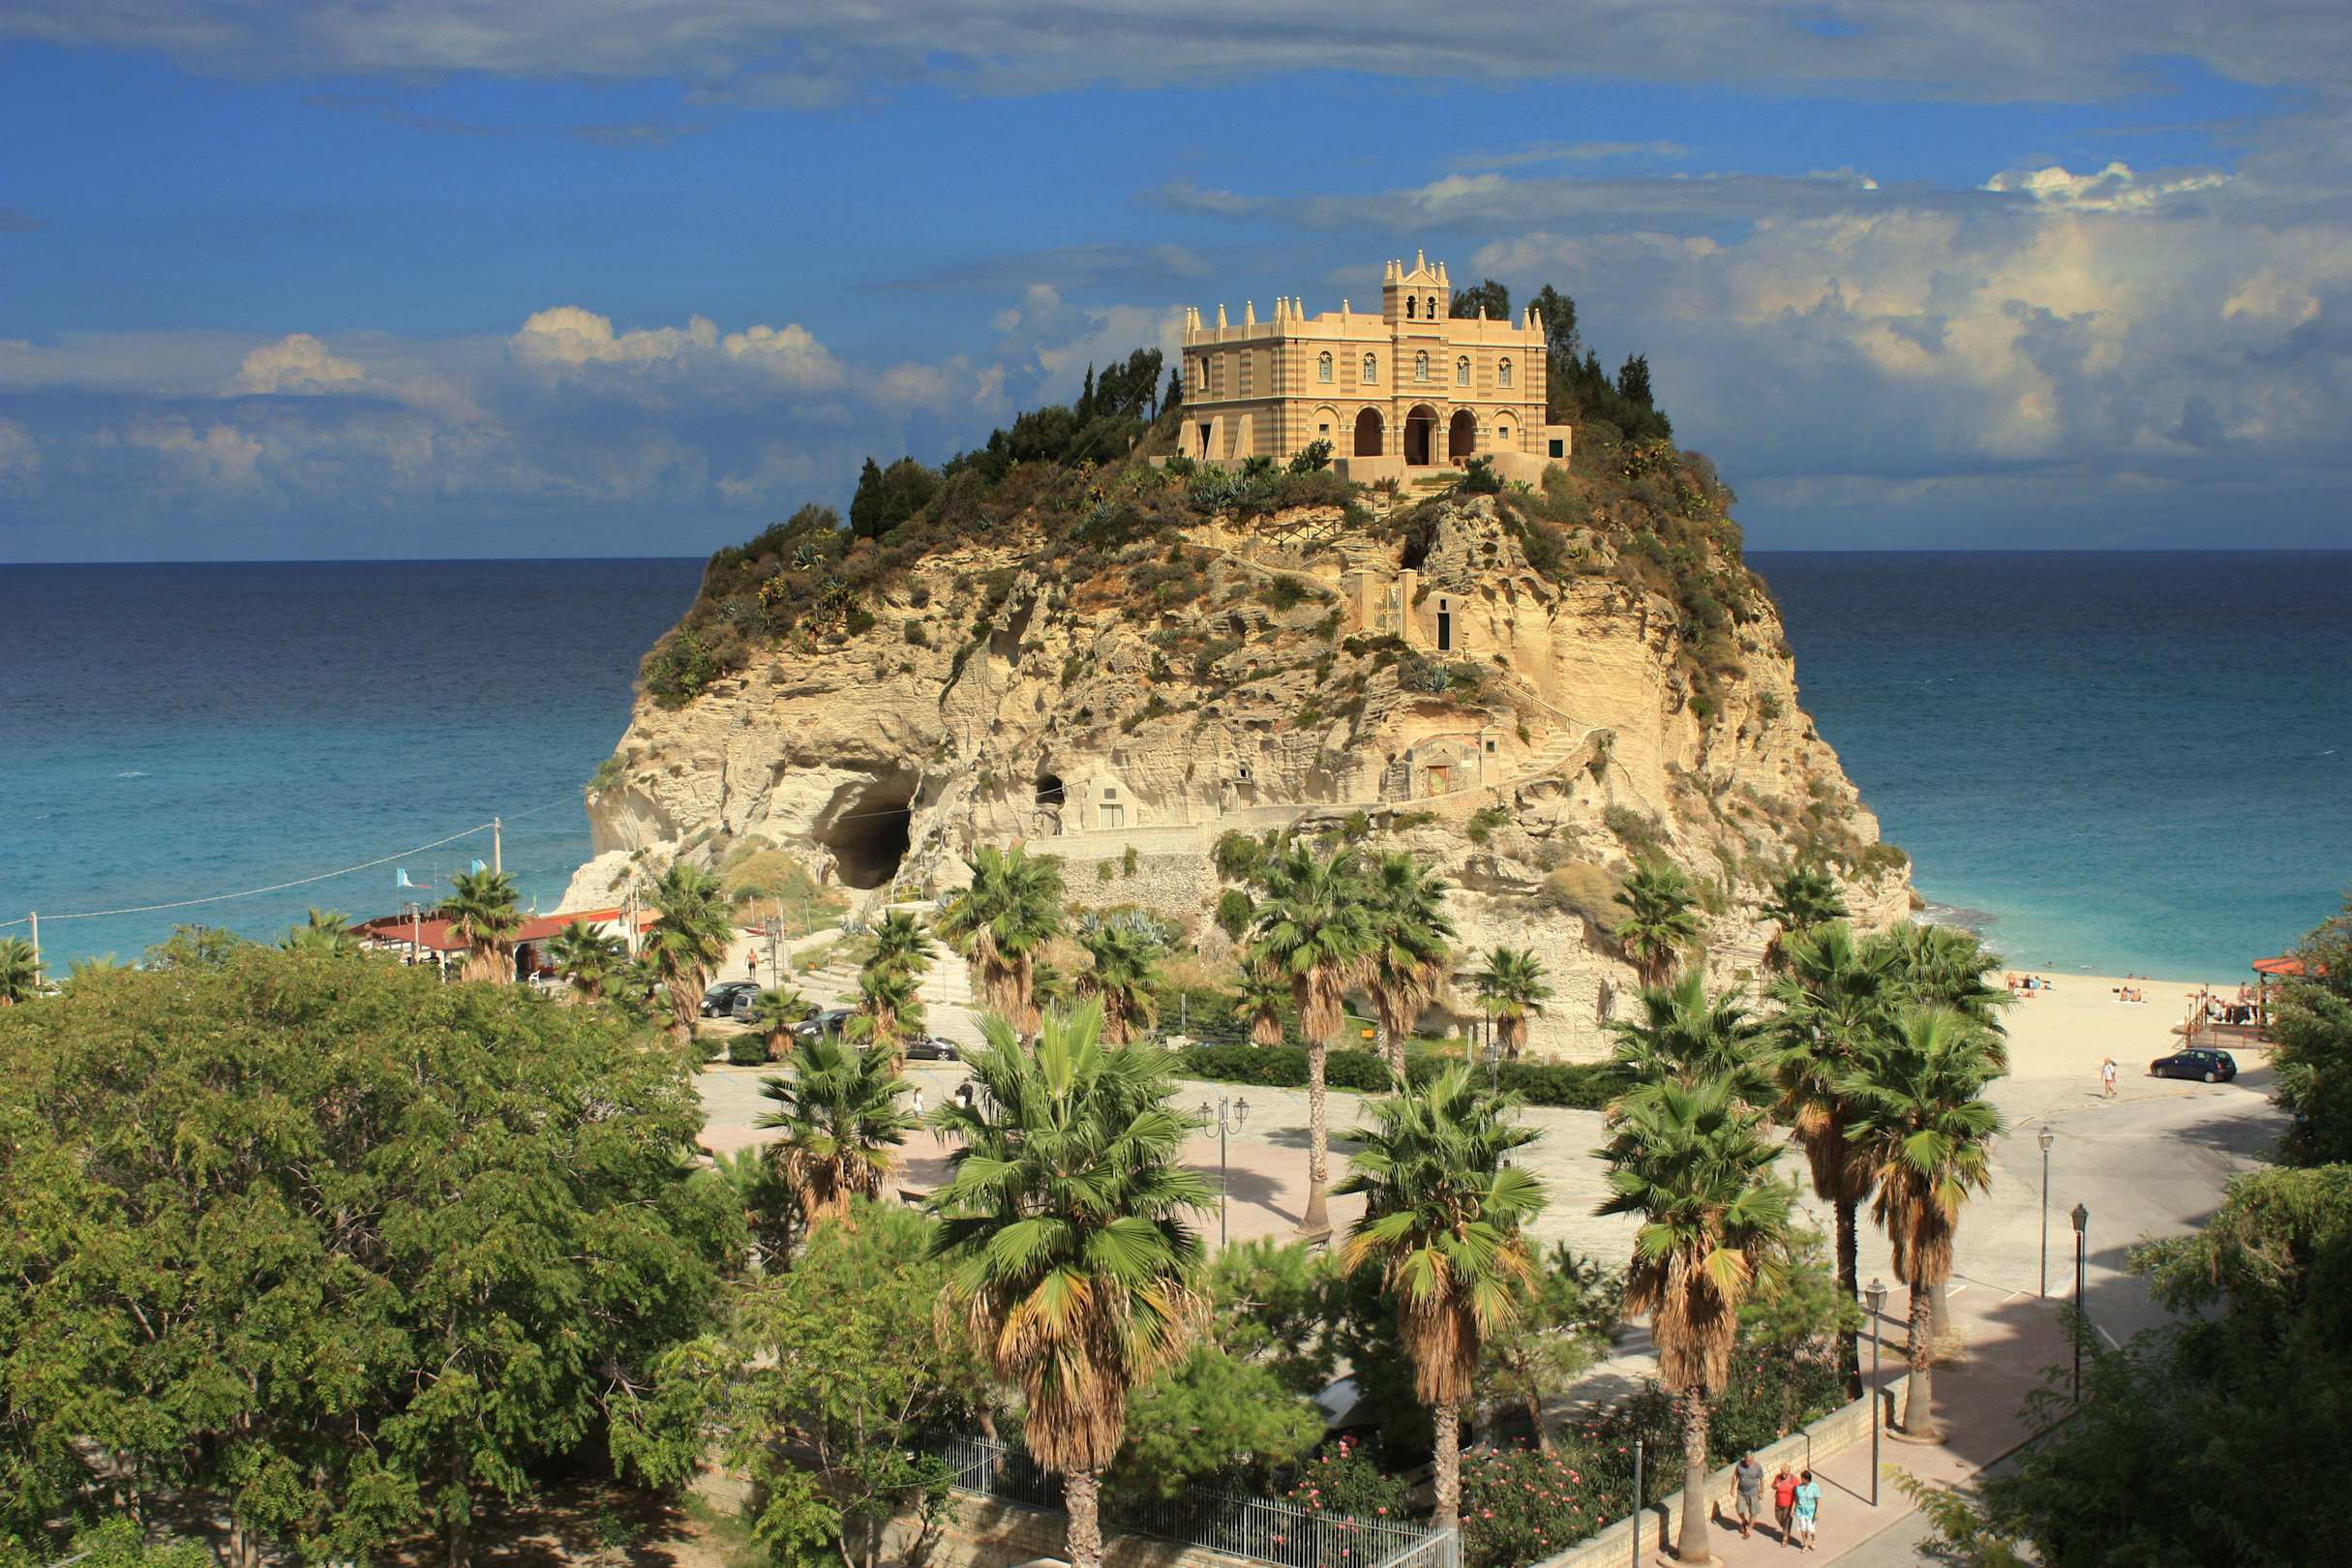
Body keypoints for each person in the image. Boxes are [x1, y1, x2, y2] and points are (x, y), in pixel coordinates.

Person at [1734, 1454, 1764, 1540]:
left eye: (1750, 1460)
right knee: (1739, 1510)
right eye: (1746, 1460)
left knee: (1753, 1512)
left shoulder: (1757, 1467)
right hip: (1741, 1492)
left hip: (1753, 1492)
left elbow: (1761, 1479)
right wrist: (1732, 1488)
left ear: (1753, 1459)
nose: (1748, 1462)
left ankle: (1749, 1530)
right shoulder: (1739, 1465)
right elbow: (1736, 1476)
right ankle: (1744, 1521)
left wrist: (1762, 1491)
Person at [1792, 1469, 1821, 1551]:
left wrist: (1817, 1512)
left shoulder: (1814, 1487)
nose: (1801, 1480)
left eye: (1802, 1478)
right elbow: (1796, 1499)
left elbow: (1818, 1500)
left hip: (1811, 1511)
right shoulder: (1799, 1487)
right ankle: (1805, 1545)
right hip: (1801, 1511)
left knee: (1810, 1529)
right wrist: (1794, 1510)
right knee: (1803, 1528)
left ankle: (1813, 1540)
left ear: (1807, 1479)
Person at [1771, 1465, 1798, 1544]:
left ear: (1789, 1472)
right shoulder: (1778, 1477)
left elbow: (1798, 1491)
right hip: (1778, 1503)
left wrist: (1796, 1505)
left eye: (1785, 1474)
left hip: (1788, 1504)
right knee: (1778, 1517)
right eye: (1782, 1473)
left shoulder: (1794, 1479)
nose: (1783, 1476)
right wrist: (1776, 1486)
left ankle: (1785, 1537)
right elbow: (1772, 1485)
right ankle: (1786, 1529)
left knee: (1786, 1520)